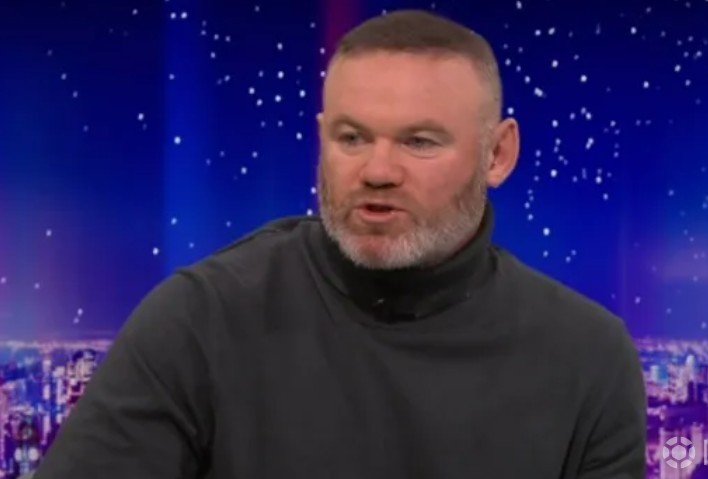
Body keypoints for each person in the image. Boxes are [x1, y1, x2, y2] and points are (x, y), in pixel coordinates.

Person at [34, 8, 646, 479]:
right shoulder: (200, 319)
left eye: (419, 142)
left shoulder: (588, 356)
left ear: (497, 154)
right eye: (352, 138)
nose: (377, 171)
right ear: (322, 138)